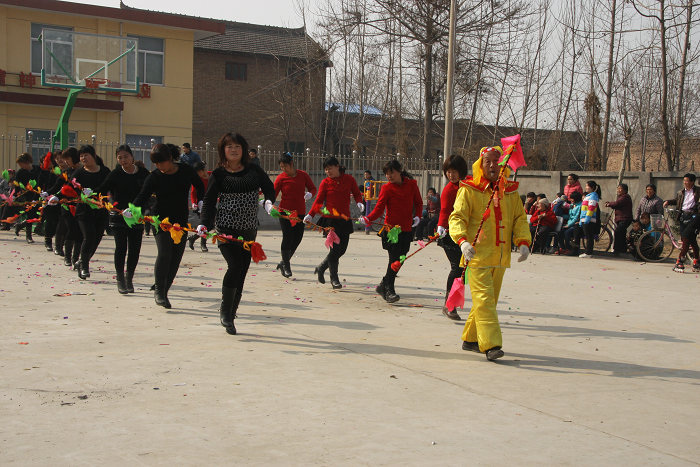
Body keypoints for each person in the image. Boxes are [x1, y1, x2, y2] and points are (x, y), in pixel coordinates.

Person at [449, 146, 531, 361]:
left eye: (497, 161)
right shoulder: (469, 189)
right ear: (480, 164)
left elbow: (519, 218)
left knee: (488, 302)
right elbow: (457, 218)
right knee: (485, 300)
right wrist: (462, 241)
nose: (493, 165)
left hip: (500, 257)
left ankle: (470, 339)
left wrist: (523, 241)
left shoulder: (510, 192)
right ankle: (491, 345)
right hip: (476, 256)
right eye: (488, 161)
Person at [198, 132, 275, 335]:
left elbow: (269, 187)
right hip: (226, 230)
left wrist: (268, 201)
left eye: (237, 146)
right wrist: (204, 223)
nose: (233, 150)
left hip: (248, 230)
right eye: (229, 146)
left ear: (243, 150)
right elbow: (209, 201)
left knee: (242, 271)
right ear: (223, 150)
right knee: (235, 266)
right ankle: (225, 311)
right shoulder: (219, 174)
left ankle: (232, 314)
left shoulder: (254, 171)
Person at [131, 143, 205, 308]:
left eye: (161, 162)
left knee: (175, 258)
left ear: (170, 158)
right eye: (156, 163)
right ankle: (159, 291)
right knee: (164, 253)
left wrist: (200, 201)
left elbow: (200, 186)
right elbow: (142, 196)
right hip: (161, 221)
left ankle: (165, 291)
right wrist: (132, 209)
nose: (159, 166)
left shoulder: (185, 170)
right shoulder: (155, 176)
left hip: (180, 223)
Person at [360, 159, 422, 303]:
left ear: (399, 171)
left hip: (406, 229)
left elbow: (418, 203)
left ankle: (383, 284)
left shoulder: (412, 185)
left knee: (401, 258)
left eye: (391, 173)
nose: (389, 176)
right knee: (394, 260)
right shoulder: (386, 188)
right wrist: (368, 218)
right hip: (391, 231)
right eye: (386, 174)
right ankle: (389, 290)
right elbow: (379, 208)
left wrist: (418, 216)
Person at [96, 145, 148, 294]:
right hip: (119, 216)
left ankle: (129, 278)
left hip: (136, 216)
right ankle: (120, 279)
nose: (123, 160)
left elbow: (149, 192)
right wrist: (89, 193)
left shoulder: (143, 173)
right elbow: (102, 188)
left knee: (134, 249)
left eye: (126, 156)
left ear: (132, 157)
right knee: (121, 248)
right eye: (120, 157)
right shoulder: (115, 174)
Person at [305, 156, 363, 289]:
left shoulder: (349, 179)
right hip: (330, 221)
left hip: (345, 219)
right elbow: (319, 201)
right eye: (326, 169)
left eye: (330, 168)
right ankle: (334, 278)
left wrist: (359, 202)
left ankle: (321, 267)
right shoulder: (325, 182)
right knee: (335, 250)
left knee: (342, 250)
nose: (328, 172)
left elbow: (356, 193)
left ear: (337, 166)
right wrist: (310, 214)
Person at [67, 145, 111, 279]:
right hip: (84, 211)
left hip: (101, 210)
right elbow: (69, 188)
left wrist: (95, 193)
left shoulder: (105, 171)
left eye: (86, 155)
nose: (83, 158)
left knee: (96, 240)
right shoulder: (79, 173)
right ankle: (84, 267)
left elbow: (110, 186)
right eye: (81, 156)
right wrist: (57, 196)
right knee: (89, 237)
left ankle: (81, 261)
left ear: (94, 156)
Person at [436, 154, 469, 320]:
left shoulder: (469, 185)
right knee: (457, 268)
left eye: (454, 171)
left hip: (467, 234)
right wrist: (441, 225)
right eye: (448, 172)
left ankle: (452, 303)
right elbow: (444, 210)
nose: (451, 175)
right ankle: (449, 305)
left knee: (463, 270)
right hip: (450, 234)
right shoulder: (449, 190)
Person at [273, 152, 316, 277]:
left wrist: (310, 194)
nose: (283, 169)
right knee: (288, 237)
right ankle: (287, 266)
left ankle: (283, 262)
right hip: (285, 213)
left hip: (300, 213)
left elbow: (313, 188)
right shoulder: (281, 178)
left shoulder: (303, 175)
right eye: (281, 167)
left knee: (297, 238)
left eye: (285, 166)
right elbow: (272, 193)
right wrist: (268, 203)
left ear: (291, 164)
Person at [663, 173, 700, 273]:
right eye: (684, 180)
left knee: (686, 239)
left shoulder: (698, 191)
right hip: (683, 216)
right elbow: (677, 201)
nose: (685, 182)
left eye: (687, 181)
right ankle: (697, 262)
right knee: (691, 240)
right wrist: (668, 202)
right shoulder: (681, 192)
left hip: (695, 217)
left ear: (692, 182)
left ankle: (680, 260)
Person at [13, 153, 42, 244]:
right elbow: (17, 186)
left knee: (38, 215)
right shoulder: (20, 172)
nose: (21, 166)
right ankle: (28, 236)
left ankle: (20, 225)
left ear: (27, 162)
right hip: (27, 196)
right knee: (30, 214)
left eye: (21, 164)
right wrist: (14, 196)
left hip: (39, 195)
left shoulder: (38, 169)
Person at [187, 162, 209, 252]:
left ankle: (193, 237)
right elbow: (193, 192)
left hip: (210, 203)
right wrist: (193, 203)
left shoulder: (212, 175)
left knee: (209, 225)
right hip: (201, 204)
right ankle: (203, 244)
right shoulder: (196, 179)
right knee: (205, 224)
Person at [605, 183, 633, 255]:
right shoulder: (621, 197)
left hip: (625, 218)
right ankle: (623, 249)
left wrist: (609, 204)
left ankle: (617, 249)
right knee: (621, 233)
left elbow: (617, 203)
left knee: (618, 232)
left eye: (620, 189)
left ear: (625, 190)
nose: (618, 190)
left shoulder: (625, 197)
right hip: (621, 218)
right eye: (618, 188)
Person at [579, 180, 601, 258]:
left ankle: (588, 253)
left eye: (587, 186)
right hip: (584, 219)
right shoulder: (588, 196)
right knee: (588, 236)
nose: (586, 187)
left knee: (589, 237)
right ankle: (587, 252)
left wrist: (587, 218)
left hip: (589, 220)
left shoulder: (593, 196)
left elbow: (591, 208)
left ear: (592, 187)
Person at [555, 191, 582, 255]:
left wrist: (569, 225)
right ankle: (562, 247)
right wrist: (561, 216)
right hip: (569, 223)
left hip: (575, 224)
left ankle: (569, 248)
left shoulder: (580, 206)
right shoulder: (572, 205)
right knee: (559, 231)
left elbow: (576, 218)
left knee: (567, 232)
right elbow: (570, 216)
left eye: (572, 198)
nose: (570, 200)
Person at [363, 170, 375, 235]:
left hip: (369, 195)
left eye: (367, 174)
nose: (365, 176)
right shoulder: (366, 181)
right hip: (366, 194)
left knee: (367, 210)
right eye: (365, 174)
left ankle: (367, 228)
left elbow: (372, 188)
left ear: (370, 175)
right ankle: (363, 214)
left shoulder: (372, 181)